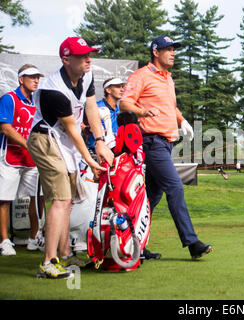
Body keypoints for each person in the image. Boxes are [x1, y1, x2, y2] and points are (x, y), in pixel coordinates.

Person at [27, 36, 114, 279]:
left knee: (69, 199)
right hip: (45, 139)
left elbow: (90, 108)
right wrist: (91, 159)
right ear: (66, 59)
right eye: (81, 56)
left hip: (65, 140)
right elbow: (74, 131)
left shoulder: (87, 74)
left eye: (89, 54)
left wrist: (100, 141)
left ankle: (65, 252)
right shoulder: (52, 90)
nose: (88, 59)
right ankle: (48, 262)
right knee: (61, 199)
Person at [120, 35, 213, 260]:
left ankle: (132, 243)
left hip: (166, 142)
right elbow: (124, 103)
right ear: (155, 52)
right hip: (151, 141)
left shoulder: (168, 78)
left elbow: (171, 107)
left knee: (151, 197)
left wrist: (182, 121)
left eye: (174, 49)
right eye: (168, 49)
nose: (173, 53)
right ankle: (192, 242)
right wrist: (142, 112)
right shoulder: (141, 75)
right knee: (175, 187)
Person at [0, 64, 45, 256]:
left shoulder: (36, 101)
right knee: (4, 200)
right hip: (9, 156)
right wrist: (29, 144)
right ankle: (4, 241)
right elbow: (6, 128)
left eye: (37, 77)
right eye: (31, 77)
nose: (36, 80)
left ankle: (34, 238)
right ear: (21, 79)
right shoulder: (9, 98)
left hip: (31, 159)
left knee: (38, 199)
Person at [86, 77, 125, 152]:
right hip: (97, 151)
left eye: (122, 87)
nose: (122, 90)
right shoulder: (96, 107)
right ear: (108, 90)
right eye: (117, 87)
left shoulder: (119, 110)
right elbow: (83, 125)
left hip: (115, 150)